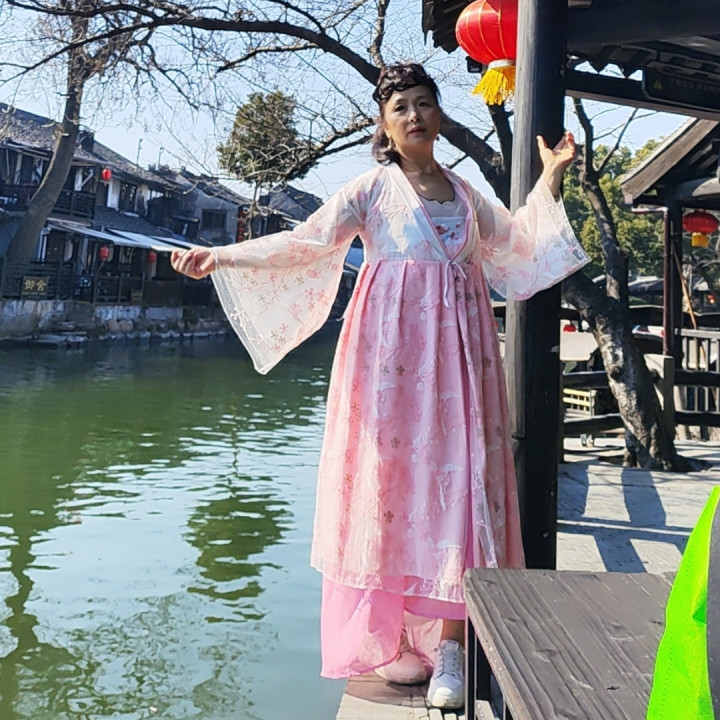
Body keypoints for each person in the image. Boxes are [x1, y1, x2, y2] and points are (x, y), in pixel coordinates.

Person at [171, 62, 589, 710]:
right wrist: (221, 256)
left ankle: (450, 646)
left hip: (463, 368)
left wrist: (552, 176)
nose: (415, 115)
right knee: (386, 490)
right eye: (401, 108)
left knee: (462, 489)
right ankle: (392, 639)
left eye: (424, 103)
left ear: (439, 115)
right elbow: (305, 243)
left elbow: (521, 244)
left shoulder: (466, 195)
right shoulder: (370, 190)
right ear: (385, 125)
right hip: (390, 366)